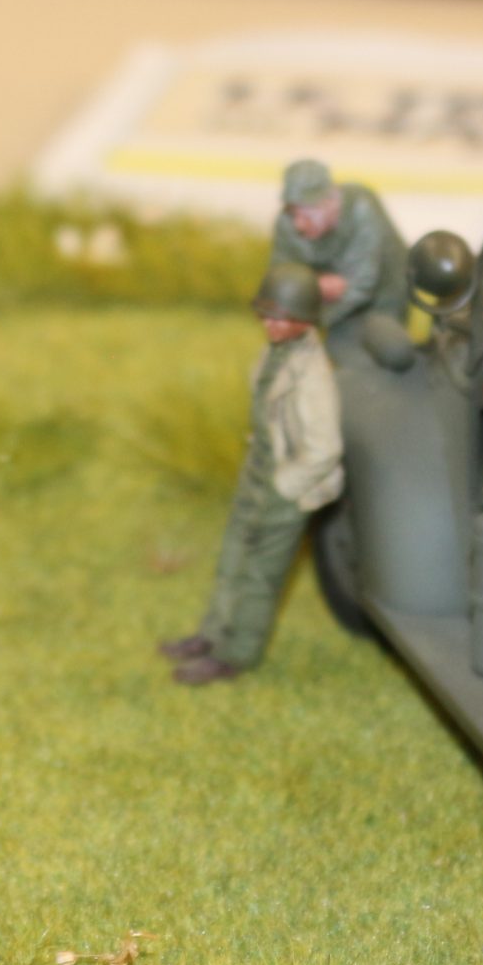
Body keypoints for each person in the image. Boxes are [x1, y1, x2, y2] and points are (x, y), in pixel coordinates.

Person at [158, 262, 344, 685]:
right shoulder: (276, 352)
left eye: (281, 317)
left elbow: (326, 448)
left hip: (286, 487)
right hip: (257, 470)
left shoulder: (313, 375)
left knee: (260, 575)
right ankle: (212, 634)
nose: (270, 324)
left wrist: (285, 484)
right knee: (233, 558)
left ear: (305, 320)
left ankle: (235, 654)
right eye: (266, 314)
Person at [269, 159, 413, 371]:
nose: (299, 224)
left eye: (307, 212)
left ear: (332, 199)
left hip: (382, 304)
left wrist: (310, 312)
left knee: (392, 353)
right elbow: (280, 281)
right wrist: (314, 285)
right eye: (294, 212)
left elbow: (361, 285)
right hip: (332, 312)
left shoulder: (362, 209)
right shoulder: (287, 224)